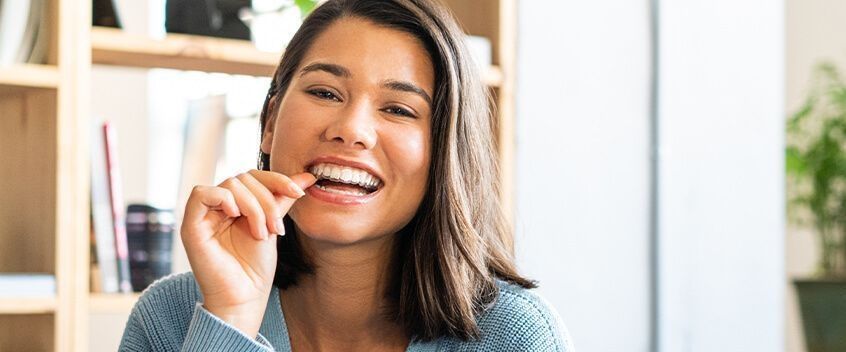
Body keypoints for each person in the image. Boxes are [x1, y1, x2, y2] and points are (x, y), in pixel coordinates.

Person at [118, 0, 574, 351]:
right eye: (325, 92)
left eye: (399, 109)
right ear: (271, 121)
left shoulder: (513, 336)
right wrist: (231, 320)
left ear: (444, 154)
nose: (351, 130)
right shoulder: (169, 319)